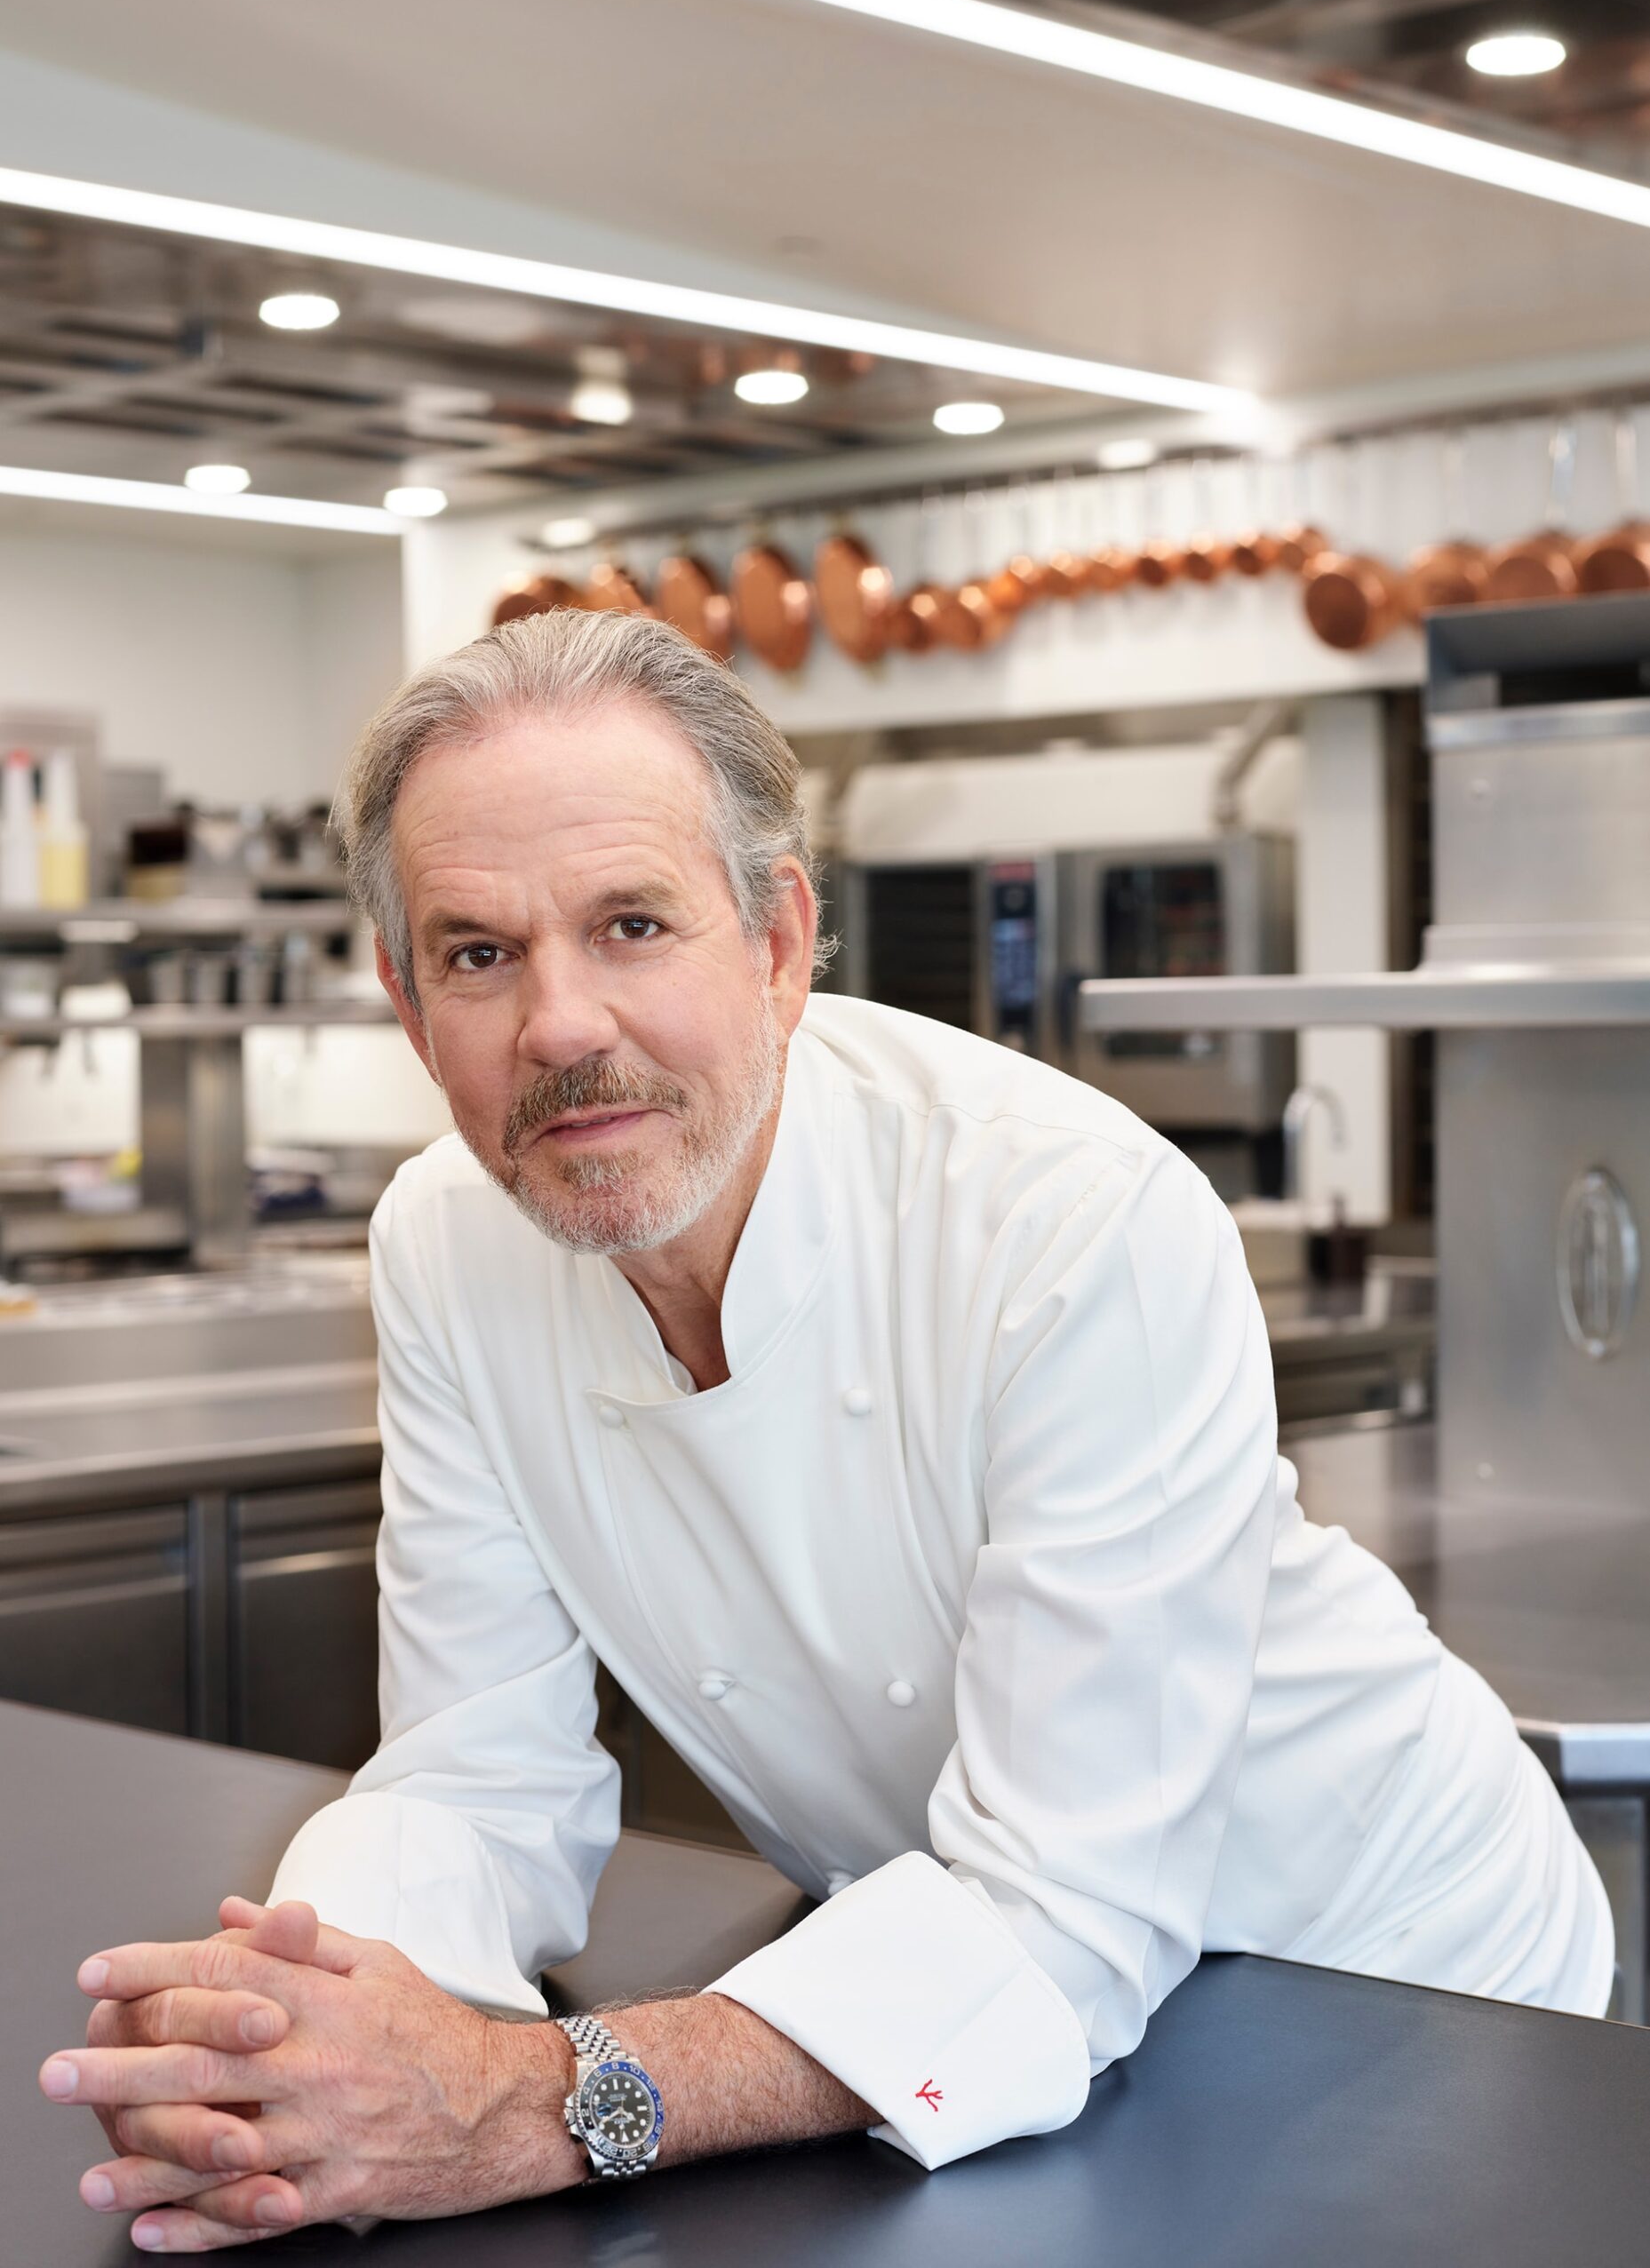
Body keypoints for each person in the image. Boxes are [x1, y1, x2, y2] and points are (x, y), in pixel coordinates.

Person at [40, 609, 1613, 2251]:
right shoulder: (445, 1239)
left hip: (1387, 1989)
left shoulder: (1070, 1218)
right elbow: (473, 1775)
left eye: (632, 923)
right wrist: (285, 2038)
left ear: (779, 942)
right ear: (407, 999)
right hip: (954, 1998)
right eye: (479, 953)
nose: (560, 1024)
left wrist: (523, 2102)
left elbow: (1060, 1911)